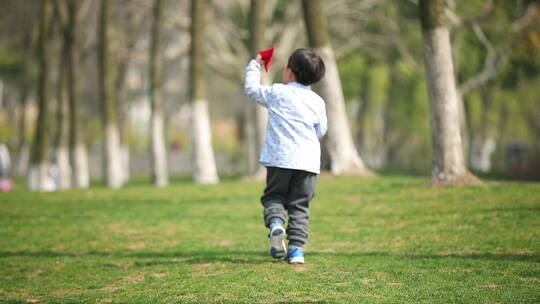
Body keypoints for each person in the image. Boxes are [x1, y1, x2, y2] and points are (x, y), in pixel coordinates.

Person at [244, 48, 327, 264]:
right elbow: (321, 130)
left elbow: (252, 89)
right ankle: (296, 251)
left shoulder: (278, 93)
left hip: (280, 159)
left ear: (290, 72)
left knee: (274, 197)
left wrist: (256, 64)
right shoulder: (317, 101)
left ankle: (276, 224)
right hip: (308, 163)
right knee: (300, 205)